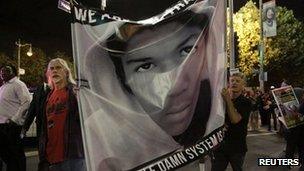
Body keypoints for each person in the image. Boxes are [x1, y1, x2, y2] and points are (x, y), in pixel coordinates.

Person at [76, 0, 226, 170]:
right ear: (121, 79)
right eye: (145, 66)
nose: (173, 87)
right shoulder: (103, 138)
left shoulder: (217, 115)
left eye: (187, 51)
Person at [26, 58, 85, 171]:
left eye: (58, 67)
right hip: (50, 157)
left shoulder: (75, 92)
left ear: (66, 72)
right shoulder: (48, 96)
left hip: (72, 156)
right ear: (48, 73)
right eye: (51, 68)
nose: (55, 71)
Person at [211, 72, 252, 171]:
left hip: (237, 147)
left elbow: (235, 119)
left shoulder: (246, 102)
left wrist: (228, 100)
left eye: (238, 81)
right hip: (220, 146)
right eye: (232, 81)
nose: (234, 83)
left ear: (243, 86)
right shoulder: (221, 100)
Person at [0, 65, 31, 171]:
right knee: (8, 156)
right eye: (1, 71)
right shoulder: (3, 87)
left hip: (12, 126)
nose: (3, 73)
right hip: (2, 126)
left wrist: (14, 119)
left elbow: (26, 102)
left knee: (16, 156)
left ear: (13, 72)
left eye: (6, 71)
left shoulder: (18, 84)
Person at [21, 72, 51, 171]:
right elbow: (32, 110)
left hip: (55, 129)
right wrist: (25, 127)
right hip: (41, 129)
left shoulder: (62, 88)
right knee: (43, 156)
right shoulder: (39, 90)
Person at [284, 87, 304, 170]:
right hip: (294, 129)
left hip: (296, 129)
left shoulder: (300, 104)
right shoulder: (294, 104)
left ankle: (295, 163)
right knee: (293, 147)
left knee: (294, 147)